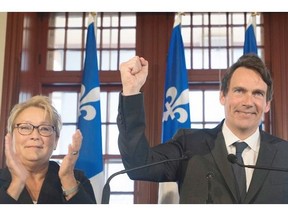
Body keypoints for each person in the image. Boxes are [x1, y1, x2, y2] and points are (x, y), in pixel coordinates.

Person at [117, 53, 288, 204]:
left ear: (267, 104)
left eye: (257, 93)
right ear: (223, 96)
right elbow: (138, 165)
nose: (248, 102)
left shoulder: (284, 154)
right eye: (239, 91)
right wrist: (131, 90)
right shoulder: (189, 145)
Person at [0, 95, 96, 204]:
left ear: (56, 140)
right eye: (25, 127)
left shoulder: (76, 179)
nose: (35, 136)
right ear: (11, 136)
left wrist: (67, 179)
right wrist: (16, 184)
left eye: (45, 129)